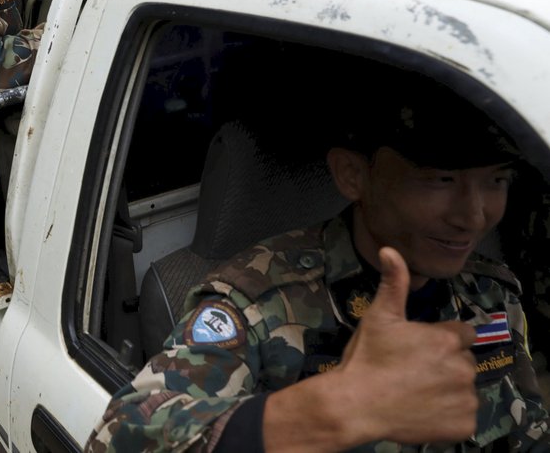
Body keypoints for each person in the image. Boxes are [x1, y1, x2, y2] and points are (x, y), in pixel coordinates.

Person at [86, 76, 549, 451]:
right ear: (353, 175)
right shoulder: (260, 301)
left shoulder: (490, 295)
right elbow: (118, 436)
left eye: (496, 180)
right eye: (440, 180)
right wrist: (331, 410)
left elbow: (528, 428)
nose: (474, 215)